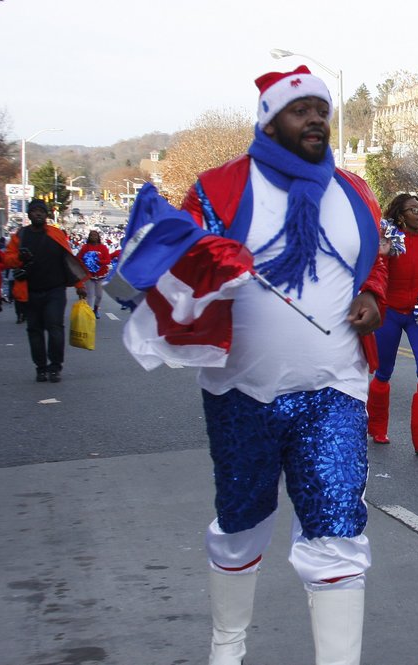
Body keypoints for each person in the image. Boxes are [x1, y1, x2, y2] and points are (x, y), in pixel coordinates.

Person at [119, 65, 387, 665]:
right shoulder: (219, 188)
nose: (316, 118)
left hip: (334, 390)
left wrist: (372, 294)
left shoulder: (353, 191)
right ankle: (227, 646)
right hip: (242, 389)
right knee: (240, 526)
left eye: (322, 108)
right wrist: (215, 263)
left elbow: (374, 261)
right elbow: (183, 259)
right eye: (301, 109)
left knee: (339, 532)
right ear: (269, 119)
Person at [366, 193, 418, 457]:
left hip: (417, 316)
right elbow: (378, 270)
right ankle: (377, 426)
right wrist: (383, 250)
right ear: (401, 216)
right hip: (389, 313)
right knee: (385, 370)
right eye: (413, 209)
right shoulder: (390, 243)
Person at [3, 199, 88, 383]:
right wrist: (19, 257)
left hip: (54, 290)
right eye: (34, 211)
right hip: (30, 290)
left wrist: (80, 285)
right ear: (29, 215)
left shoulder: (56, 234)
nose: (38, 214)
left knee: (55, 326)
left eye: (42, 211)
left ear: (47, 214)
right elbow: (7, 260)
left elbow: (68, 260)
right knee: (35, 330)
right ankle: (40, 367)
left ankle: (55, 366)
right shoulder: (21, 235)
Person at [76, 230, 112, 318]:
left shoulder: (103, 247)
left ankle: (96, 309)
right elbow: (78, 258)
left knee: (99, 295)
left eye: (95, 235)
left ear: (98, 237)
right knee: (90, 295)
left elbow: (108, 260)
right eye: (91, 235)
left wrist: (98, 262)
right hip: (89, 275)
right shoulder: (85, 247)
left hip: (100, 275)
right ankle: (90, 312)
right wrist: (86, 262)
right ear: (89, 237)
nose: (93, 237)